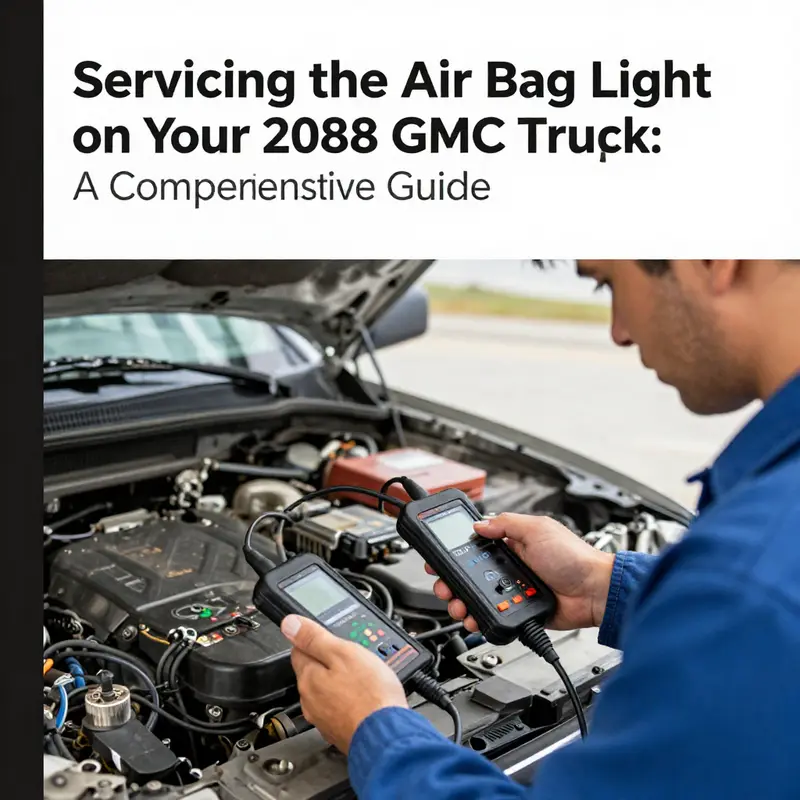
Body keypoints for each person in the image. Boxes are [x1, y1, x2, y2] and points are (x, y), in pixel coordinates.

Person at [279, 261, 800, 799]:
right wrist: (605, 586)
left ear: (714, 260)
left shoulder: (751, 583)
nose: (619, 331)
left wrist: (376, 730)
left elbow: (750, 607)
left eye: (608, 283)